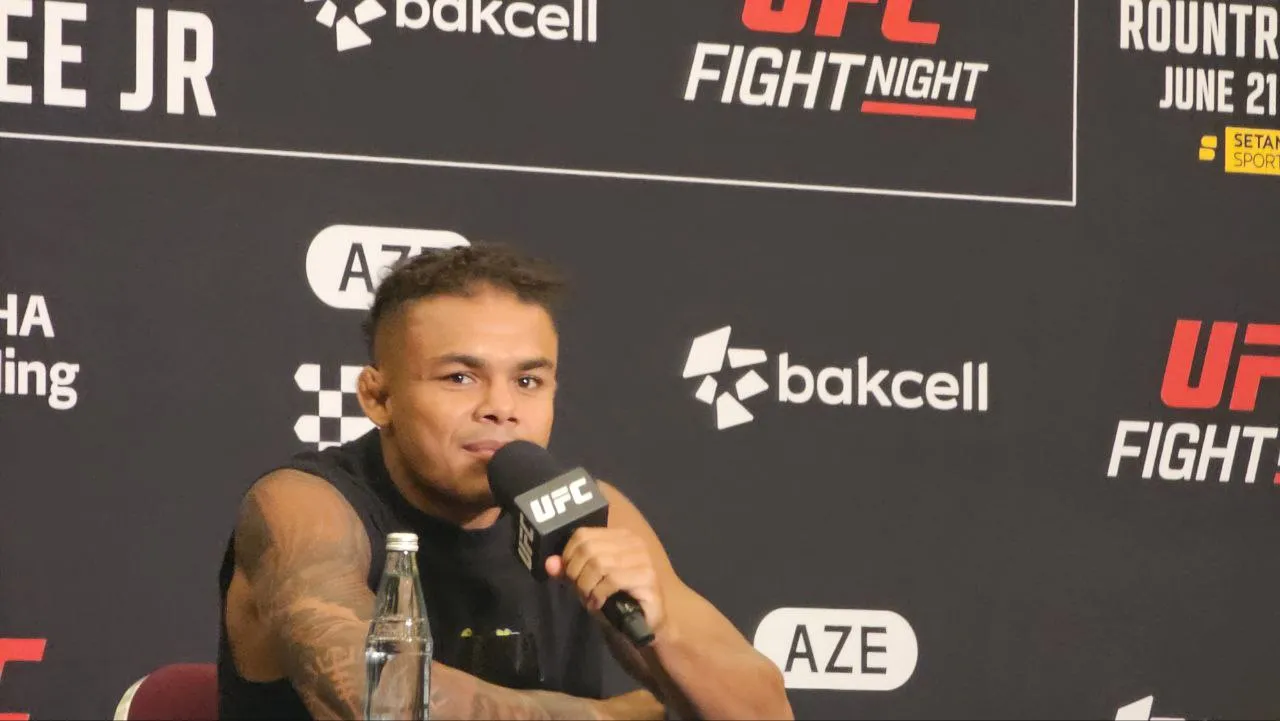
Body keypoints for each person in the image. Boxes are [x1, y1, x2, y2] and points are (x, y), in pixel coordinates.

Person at [216, 243, 793, 720]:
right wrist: (609, 717)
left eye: (528, 382)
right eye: (460, 377)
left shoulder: (587, 511)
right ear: (378, 397)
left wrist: (660, 635)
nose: (501, 407)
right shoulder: (304, 505)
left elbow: (765, 713)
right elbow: (376, 698)